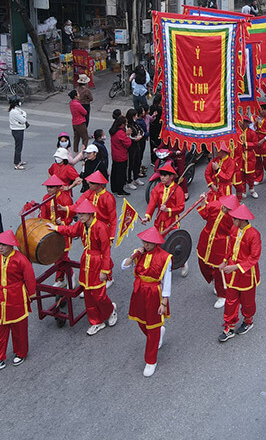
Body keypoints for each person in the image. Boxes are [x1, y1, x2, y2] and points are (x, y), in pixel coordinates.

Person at [50, 198, 117, 336]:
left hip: (98, 263)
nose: (79, 216)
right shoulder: (81, 225)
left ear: (90, 214)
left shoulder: (101, 227)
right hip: (86, 262)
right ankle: (96, 322)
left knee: (99, 295)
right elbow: (71, 231)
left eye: (82, 214)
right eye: (79, 214)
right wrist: (56, 228)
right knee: (88, 295)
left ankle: (110, 310)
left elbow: (106, 250)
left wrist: (105, 270)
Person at [0, 230, 36, 375]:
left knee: (19, 328)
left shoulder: (20, 259)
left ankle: (21, 353)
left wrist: (30, 295)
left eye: (3, 245)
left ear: (11, 245)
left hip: (17, 297)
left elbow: (29, 277)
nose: (0, 247)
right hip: (0, 297)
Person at [120, 226, 173, 377]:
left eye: (149, 243)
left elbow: (167, 281)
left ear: (156, 243)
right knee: (141, 322)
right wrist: (135, 254)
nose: (146, 245)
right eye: (144, 242)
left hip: (153, 293)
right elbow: (124, 266)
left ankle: (151, 360)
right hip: (139, 292)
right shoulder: (139, 253)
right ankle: (157, 335)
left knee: (153, 325)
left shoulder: (165, 257)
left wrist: (163, 302)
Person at [218, 204, 261, 342]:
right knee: (230, 301)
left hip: (246, 274)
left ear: (241, 220)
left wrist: (236, 267)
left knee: (247, 301)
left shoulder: (254, 234)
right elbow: (230, 246)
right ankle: (229, 326)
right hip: (232, 271)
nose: (232, 221)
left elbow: (254, 257)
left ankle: (248, 321)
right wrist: (225, 260)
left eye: (234, 219)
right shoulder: (234, 229)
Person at [196, 194, 238, 310]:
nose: (225, 209)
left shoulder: (234, 219)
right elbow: (205, 214)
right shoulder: (214, 205)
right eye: (224, 206)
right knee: (202, 263)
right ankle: (213, 281)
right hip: (206, 240)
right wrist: (203, 203)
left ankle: (222, 295)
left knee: (219, 271)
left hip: (220, 245)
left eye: (228, 208)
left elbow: (235, 235)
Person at [142, 162, 186, 235]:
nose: (162, 177)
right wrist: (147, 216)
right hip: (159, 219)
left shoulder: (178, 190)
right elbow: (152, 203)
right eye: (161, 175)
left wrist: (168, 210)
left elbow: (181, 207)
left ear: (171, 177)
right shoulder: (158, 187)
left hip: (172, 221)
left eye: (165, 175)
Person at [79, 170, 118, 244]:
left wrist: (111, 236)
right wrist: (65, 208)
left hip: (103, 229)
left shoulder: (108, 198)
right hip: (92, 228)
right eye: (89, 182)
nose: (89, 184)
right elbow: (78, 204)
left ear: (99, 184)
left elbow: (113, 218)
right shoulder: (90, 192)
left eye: (92, 183)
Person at [110, 115, 132, 196]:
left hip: (115, 154)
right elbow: (128, 143)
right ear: (122, 124)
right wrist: (128, 135)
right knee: (121, 174)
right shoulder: (121, 133)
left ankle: (114, 188)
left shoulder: (113, 131)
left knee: (115, 172)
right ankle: (120, 190)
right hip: (121, 155)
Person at [8, 96, 28, 170]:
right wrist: (23, 117)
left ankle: (19, 160)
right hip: (17, 130)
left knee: (19, 146)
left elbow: (24, 113)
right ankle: (17, 164)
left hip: (19, 129)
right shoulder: (14, 112)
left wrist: (23, 116)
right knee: (18, 147)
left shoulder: (16, 109)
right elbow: (23, 120)